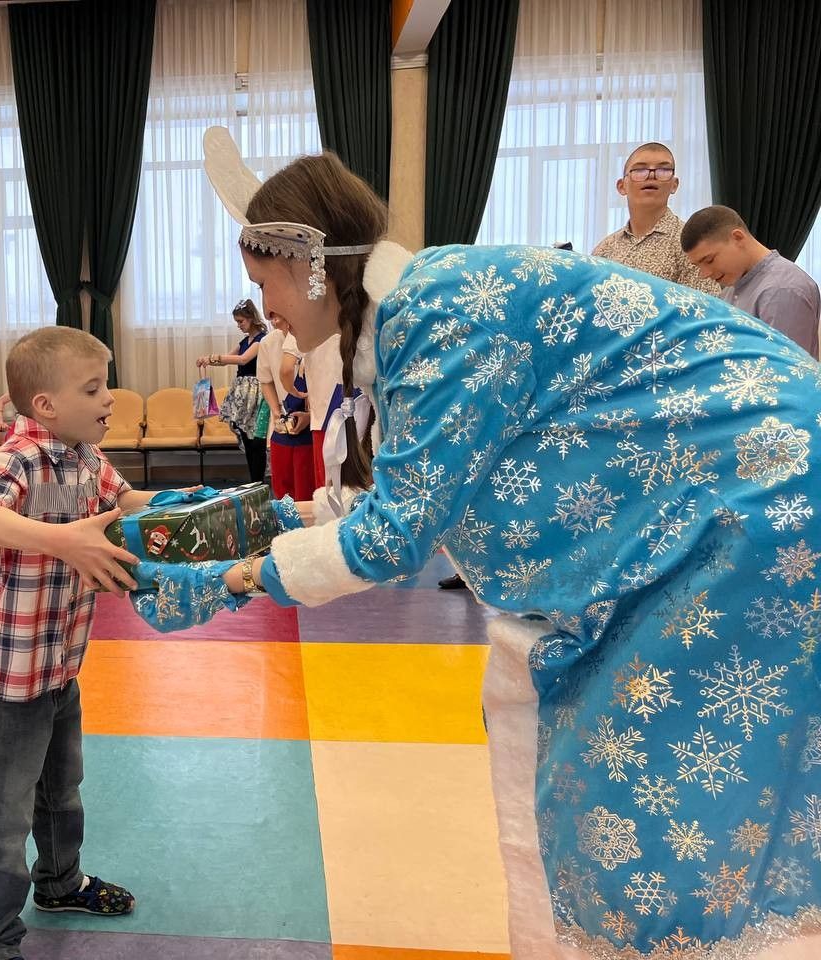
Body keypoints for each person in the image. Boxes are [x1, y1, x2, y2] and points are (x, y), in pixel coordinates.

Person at [135, 133, 821, 958]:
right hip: (722, 500)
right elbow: (396, 496)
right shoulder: (419, 309)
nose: (263, 306)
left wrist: (235, 579)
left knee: (649, 782)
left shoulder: (439, 313)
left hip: (752, 501)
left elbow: (396, 535)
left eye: (262, 283)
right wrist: (247, 524)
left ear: (310, 264)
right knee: (614, 769)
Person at [0, 326, 172, 960]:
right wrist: (63, 540)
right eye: (94, 388)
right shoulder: (19, 458)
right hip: (10, 673)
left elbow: (127, 501)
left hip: (59, 664)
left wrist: (190, 504)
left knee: (62, 787)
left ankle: (60, 883)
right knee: (5, 812)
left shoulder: (86, 457)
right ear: (46, 405)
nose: (110, 398)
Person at [681, 205, 820, 359]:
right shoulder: (730, 290)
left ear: (738, 237)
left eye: (709, 260)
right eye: (698, 266)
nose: (705, 274)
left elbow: (786, 367)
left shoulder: (783, 289)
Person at [592, 142, 720, 295]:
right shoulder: (604, 250)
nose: (651, 175)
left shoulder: (690, 245)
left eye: (663, 170)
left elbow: (705, 306)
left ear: (674, 185)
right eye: (640, 170)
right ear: (621, 186)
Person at [199, 299, 268, 481]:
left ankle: (258, 480)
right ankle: (254, 480)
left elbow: (243, 359)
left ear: (251, 318)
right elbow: (227, 358)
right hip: (242, 391)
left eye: (241, 321)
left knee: (255, 438)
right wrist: (207, 360)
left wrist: (214, 357)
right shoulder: (245, 340)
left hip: (255, 392)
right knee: (245, 435)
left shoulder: (261, 339)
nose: (239, 325)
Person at [258, 314, 313, 501]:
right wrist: (276, 410)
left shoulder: (313, 335)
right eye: (271, 317)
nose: (275, 322)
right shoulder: (268, 343)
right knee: (283, 491)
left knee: (308, 490)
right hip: (283, 425)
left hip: (313, 425)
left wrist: (310, 415)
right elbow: (266, 381)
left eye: (279, 316)